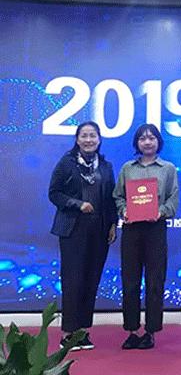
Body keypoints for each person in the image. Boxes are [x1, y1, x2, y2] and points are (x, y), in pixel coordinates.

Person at [49, 121, 118, 351]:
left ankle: (82, 332)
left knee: (91, 280)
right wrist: (77, 204)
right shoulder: (66, 163)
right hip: (73, 230)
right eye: (84, 136)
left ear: (99, 139)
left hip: (99, 230)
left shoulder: (106, 166)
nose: (89, 140)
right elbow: (54, 193)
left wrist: (113, 224)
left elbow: (111, 199)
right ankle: (68, 333)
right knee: (73, 279)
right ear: (77, 139)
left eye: (93, 136)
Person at [113, 124, 179, 350]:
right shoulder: (127, 168)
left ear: (158, 142)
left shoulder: (168, 169)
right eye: (143, 138)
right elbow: (118, 196)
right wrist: (123, 210)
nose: (147, 142)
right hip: (132, 229)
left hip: (155, 229)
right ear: (137, 143)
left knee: (154, 281)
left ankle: (151, 331)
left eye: (152, 138)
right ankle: (132, 330)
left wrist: (161, 212)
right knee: (130, 281)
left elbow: (173, 199)